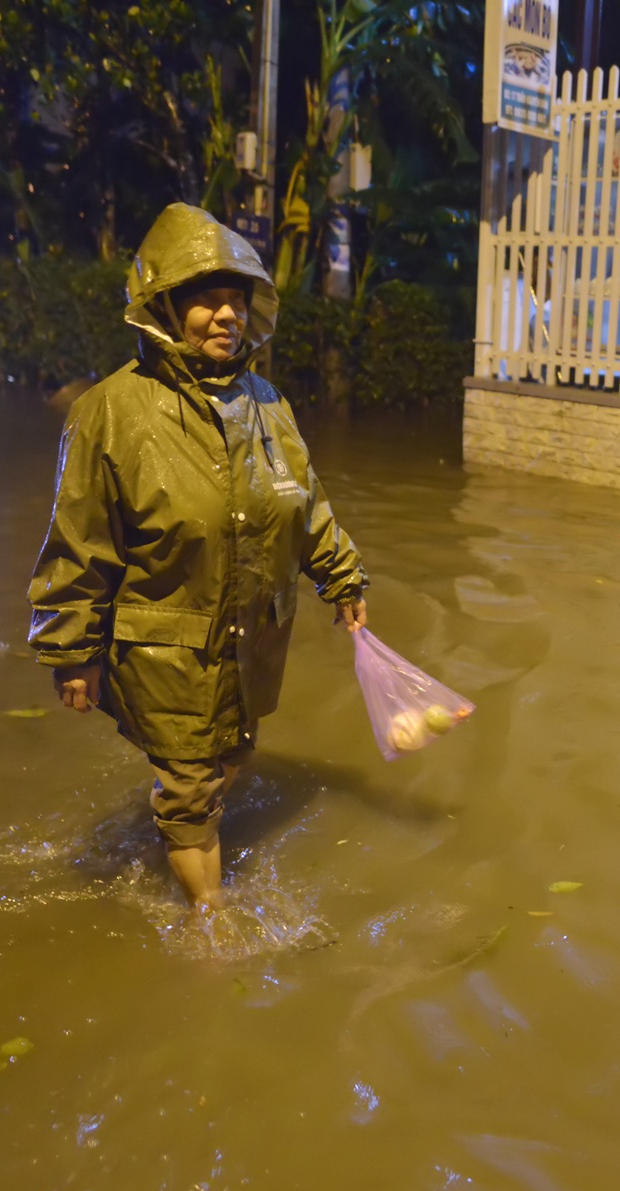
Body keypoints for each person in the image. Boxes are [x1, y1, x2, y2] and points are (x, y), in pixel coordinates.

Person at [27, 203, 368, 911]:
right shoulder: (112, 412)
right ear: (164, 307)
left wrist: (342, 577)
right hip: (165, 649)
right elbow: (79, 540)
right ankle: (208, 927)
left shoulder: (266, 402)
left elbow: (303, 499)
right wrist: (72, 652)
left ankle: (176, 824)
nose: (225, 316)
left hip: (252, 637)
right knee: (191, 789)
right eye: (205, 299)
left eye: (235, 299)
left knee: (230, 757)